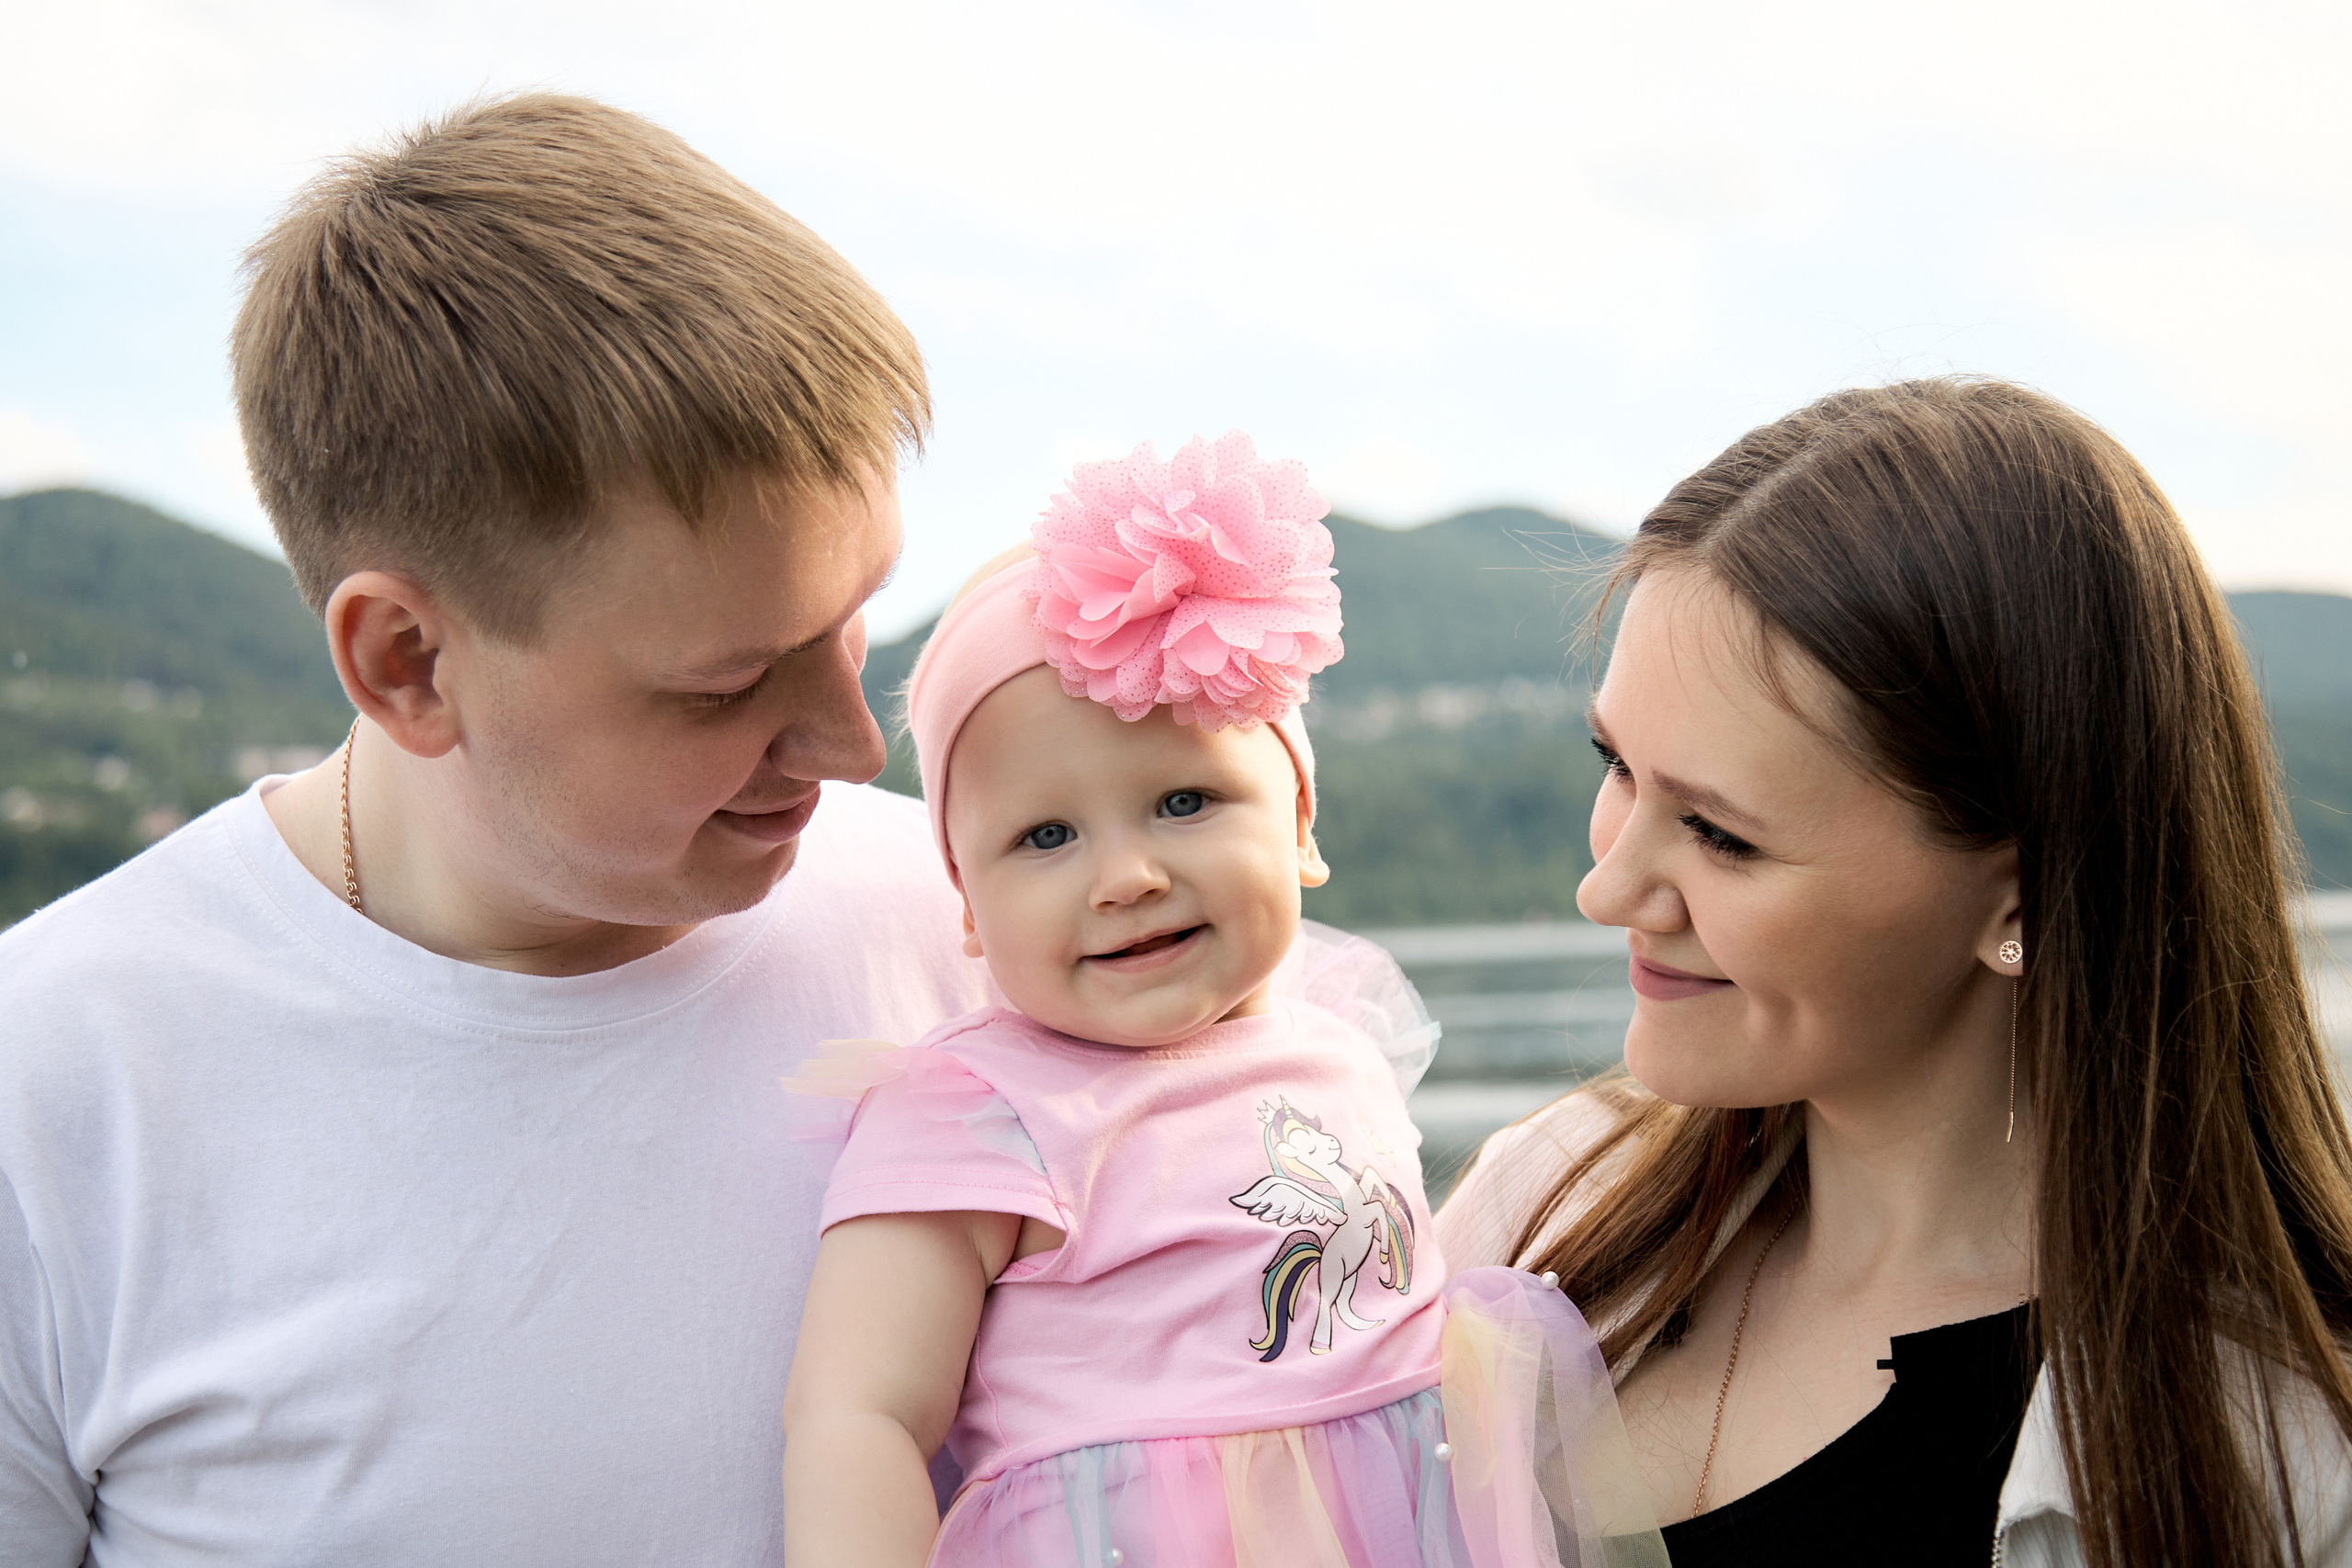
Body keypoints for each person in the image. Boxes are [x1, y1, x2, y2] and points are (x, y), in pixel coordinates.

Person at [0, 96, 989, 1563]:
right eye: (724, 683)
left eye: (855, 621)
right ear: (407, 660)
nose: (855, 747)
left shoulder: (987, 919)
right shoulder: (54, 1081)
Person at [1433, 377, 2352, 1566]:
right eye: (1615, 764)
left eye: (1721, 833)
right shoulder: (1537, 1209)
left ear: (2021, 897)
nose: (1605, 890)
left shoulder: (2292, 1455)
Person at [778, 434, 1663, 1568]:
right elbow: (859, 1415)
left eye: (1185, 801)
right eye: (1044, 836)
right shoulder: (981, 1106)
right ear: (965, 903)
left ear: (1298, 823)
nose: (1127, 876)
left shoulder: (1339, 1041)